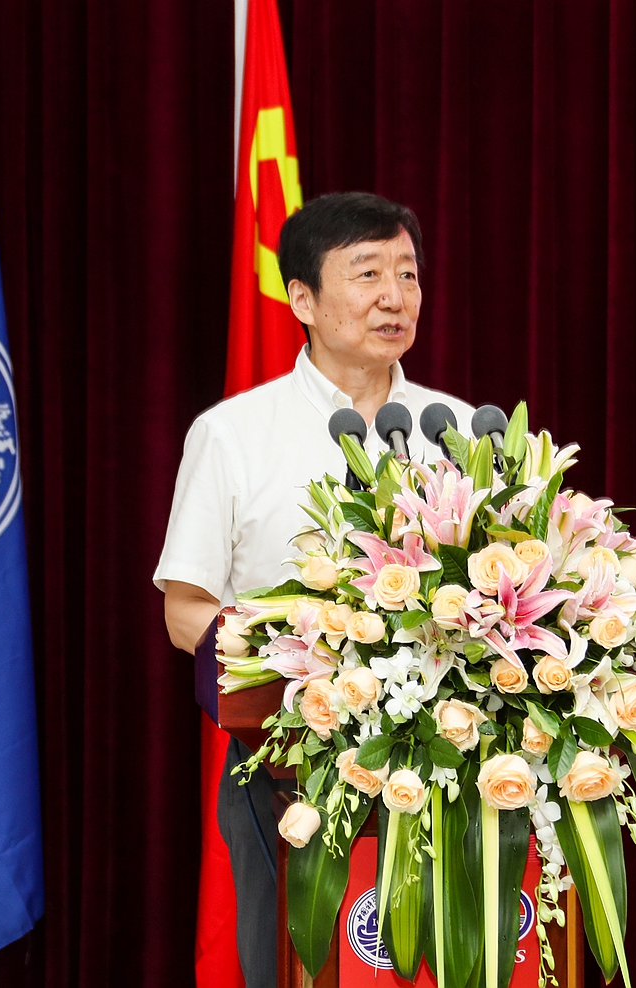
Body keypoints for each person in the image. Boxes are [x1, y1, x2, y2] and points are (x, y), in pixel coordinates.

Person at [154, 191, 474, 987]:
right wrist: (281, 646)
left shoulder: (461, 431)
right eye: (367, 274)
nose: (395, 296)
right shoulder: (233, 434)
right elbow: (184, 608)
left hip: (455, 770)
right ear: (302, 298)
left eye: (408, 273)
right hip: (287, 767)